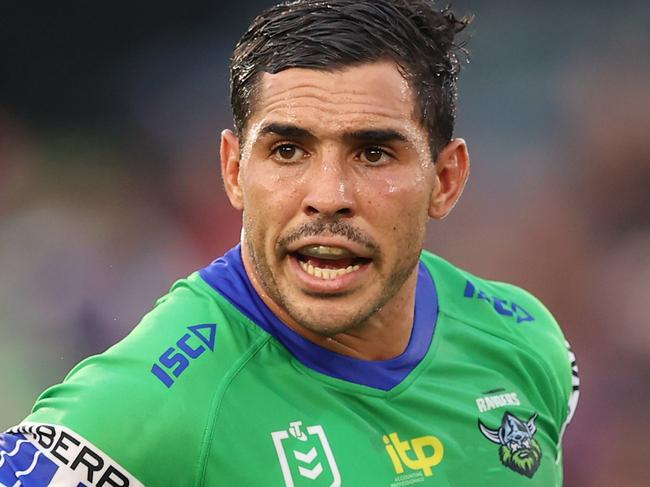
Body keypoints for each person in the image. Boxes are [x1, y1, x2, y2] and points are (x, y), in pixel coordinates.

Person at [0, 0, 579, 485]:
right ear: (232, 171)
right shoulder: (147, 410)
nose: (328, 196)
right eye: (287, 151)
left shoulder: (526, 342)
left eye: (374, 152)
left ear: (445, 180)